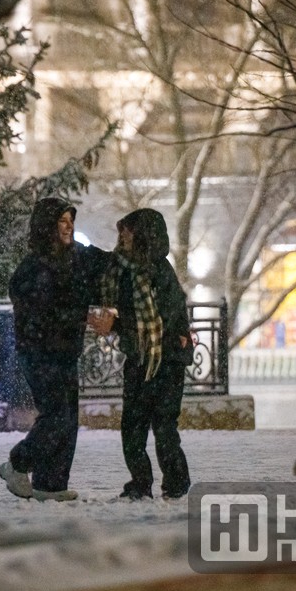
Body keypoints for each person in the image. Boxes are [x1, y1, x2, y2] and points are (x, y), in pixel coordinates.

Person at [0, 197, 102, 502]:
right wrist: (82, 315)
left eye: (71, 221)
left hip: (66, 351)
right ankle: (17, 463)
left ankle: (50, 484)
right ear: (47, 226)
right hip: (39, 352)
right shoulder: (32, 268)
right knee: (57, 416)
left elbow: (107, 266)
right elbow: (41, 312)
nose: (69, 227)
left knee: (68, 420)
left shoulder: (77, 258)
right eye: (62, 221)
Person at [99, 208, 193, 500]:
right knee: (132, 427)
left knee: (164, 428)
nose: (123, 236)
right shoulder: (120, 270)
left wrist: (117, 323)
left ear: (143, 235)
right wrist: (113, 323)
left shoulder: (159, 271)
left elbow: (163, 317)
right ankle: (140, 483)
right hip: (139, 358)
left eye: (128, 231)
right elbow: (130, 316)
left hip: (168, 360)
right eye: (122, 231)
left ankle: (176, 483)